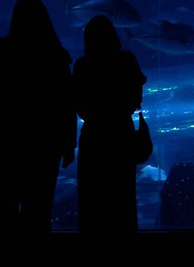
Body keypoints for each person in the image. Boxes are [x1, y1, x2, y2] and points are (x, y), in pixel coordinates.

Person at [0, 0, 76, 233]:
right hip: (44, 142)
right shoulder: (55, 55)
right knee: (38, 209)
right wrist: (68, 143)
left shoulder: (1, 51)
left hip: (4, 140)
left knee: (2, 204)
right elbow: (66, 103)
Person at [73, 14, 147, 233]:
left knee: (92, 199)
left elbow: (78, 105)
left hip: (93, 137)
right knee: (122, 197)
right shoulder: (127, 59)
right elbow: (136, 99)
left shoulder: (82, 65)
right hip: (121, 134)